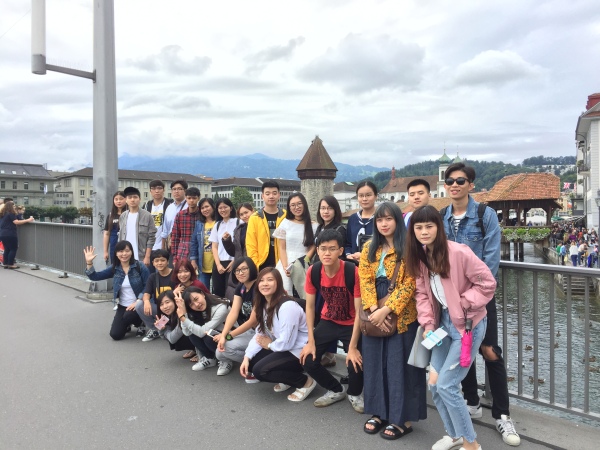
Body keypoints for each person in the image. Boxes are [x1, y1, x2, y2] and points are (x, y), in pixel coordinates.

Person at [441, 162, 520, 446]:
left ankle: (502, 414)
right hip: (452, 300)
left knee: (489, 351)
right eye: (450, 181)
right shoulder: (441, 217)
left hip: (480, 298)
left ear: (471, 184)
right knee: (462, 348)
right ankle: (472, 401)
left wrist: (473, 297)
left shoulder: (485, 215)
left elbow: (491, 261)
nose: (455, 185)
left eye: (460, 180)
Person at [406, 205, 496, 450]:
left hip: (468, 326)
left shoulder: (458, 252)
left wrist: (462, 303)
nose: (424, 232)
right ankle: (454, 434)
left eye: (429, 226)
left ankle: (471, 444)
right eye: (419, 227)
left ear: (439, 227)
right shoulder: (421, 256)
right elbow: (422, 294)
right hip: (442, 326)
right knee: (435, 384)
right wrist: (428, 324)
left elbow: (488, 283)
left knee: (447, 385)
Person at [356, 201, 427, 440]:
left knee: (400, 367)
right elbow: (365, 280)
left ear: (398, 221)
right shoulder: (369, 247)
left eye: (389, 219)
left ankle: (402, 419)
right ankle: (379, 412)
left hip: (401, 313)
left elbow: (410, 284)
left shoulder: (409, 247)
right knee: (375, 364)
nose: (384, 224)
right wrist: (374, 310)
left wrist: (386, 310)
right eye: (379, 220)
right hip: (374, 310)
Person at [300, 229, 364, 412]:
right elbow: (310, 307)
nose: (327, 253)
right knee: (307, 359)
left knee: (356, 362)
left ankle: (355, 393)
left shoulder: (352, 272)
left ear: (340, 251)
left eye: (332, 249)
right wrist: (310, 341)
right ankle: (336, 389)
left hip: (352, 323)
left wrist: (353, 347)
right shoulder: (314, 271)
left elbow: (359, 311)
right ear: (317, 250)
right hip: (329, 320)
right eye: (323, 248)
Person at [240, 268, 315, 402]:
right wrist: (247, 357)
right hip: (282, 347)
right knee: (251, 362)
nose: (265, 283)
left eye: (270, 280)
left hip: (299, 351)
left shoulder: (287, 306)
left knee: (260, 371)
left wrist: (270, 345)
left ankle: (305, 382)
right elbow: (260, 334)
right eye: (261, 280)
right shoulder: (264, 304)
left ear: (278, 283)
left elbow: (287, 343)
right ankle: (288, 378)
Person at [84, 241, 150, 340]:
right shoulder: (115, 268)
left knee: (128, 316)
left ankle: (140, 323)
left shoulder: (140, 266)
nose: (124, 254)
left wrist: (138, 301)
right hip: (123, 306)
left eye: (127, 251)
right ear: (116, 253)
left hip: (139, 304)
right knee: (115, 335)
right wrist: (89, 263)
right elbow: (95, 276)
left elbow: (148, 286)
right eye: (121, 251)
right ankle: (127, 323)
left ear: (131, 252)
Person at [214, 257, 259, 377]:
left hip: (260, 332)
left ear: (252, 269)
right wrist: (224, 334)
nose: (240, 273)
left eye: (244, 269)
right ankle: (251, 359)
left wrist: (228, 336)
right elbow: (233, 312)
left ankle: (256, 366)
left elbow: (253, 321)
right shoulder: (241, 287)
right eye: (237, 270)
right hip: (249, 331)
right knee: (219, 352)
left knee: (227, 348)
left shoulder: (258, 288)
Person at [273, 192, 317, 297]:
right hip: (286, 264)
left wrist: (303, 262)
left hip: (303, 264)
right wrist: (285, 267)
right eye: (293, 205)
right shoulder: (285, 223)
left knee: (303, 296)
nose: (296, 207)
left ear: (304, 204)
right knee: (284, 295)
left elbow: (314, 247)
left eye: (299, 204)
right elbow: (282, 248)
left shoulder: (314, 226)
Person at [176, 286, 230, 371]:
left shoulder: (221, 307)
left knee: (207, 335)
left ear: (202, 294)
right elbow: (187, 333)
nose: (196, 304)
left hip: (230, 336)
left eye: (196, 299)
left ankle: (226, 360)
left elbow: (202, 332)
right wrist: (184, 313)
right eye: (191, 304)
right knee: (193, 333)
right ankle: (210, 358)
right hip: (216, 334)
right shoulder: (197, 311)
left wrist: (183, 318)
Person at [246, 181, 286, 271]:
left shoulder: (286, 216)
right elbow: (251, 245)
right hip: (262, 265)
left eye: (274, 193)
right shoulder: (255, 217)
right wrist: (255, 265)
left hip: (282, 264)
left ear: (279, 195)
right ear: (262, 196)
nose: (271, 196)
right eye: (267, 194)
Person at [135, 249, 173, 342]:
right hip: (161, 310)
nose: (160, 263)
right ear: (153, 263)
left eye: (162, 260)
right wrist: (147, 301)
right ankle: (156, 329)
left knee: (173, 338)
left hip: (174, 310)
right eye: (157, 261)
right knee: (139, 305)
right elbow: (146, 293)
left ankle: (167, 328)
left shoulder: (175, 275)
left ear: (168, 261)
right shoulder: (153, 277)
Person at [118, 187, 157, 267]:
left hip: (141, 255)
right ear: (126, 200)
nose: (132, 200)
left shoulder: (147, 215)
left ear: (139, 199)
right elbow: (120, 236)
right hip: (125, 256)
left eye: (135, 197)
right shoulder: (123, 216)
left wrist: (147, 257)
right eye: (130, 197)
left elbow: (151, 238)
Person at [210, 198, 239, 297]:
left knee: (232, 292)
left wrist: (235, 261)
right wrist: (218, 264)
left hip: (233, 262)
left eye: (225, 207)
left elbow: (242, 245)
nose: (223, 210)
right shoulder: (217, 225)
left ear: (231, 208)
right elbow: (214, 246)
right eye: (220, 208)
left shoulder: (238, 222)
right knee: (218, 291)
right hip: (219, 263)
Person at [346, 181, 378, 264]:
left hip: (375, 264)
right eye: (361, 196)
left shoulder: (381, 218)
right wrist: (349, 255)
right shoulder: (353, 219)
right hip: (354, 265)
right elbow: (348, 243)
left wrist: (364, 256)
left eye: (368, 195)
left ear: (376, 196)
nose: (364, 199)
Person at [189, 197, 216, 288]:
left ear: (213, 207)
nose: (205, 210)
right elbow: (194, 242)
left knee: (217, 291)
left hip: (217, 263)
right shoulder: (199, 223)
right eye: (202, 208)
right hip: (203, 263)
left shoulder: (219, 222)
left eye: (207, 206)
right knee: (203, 290)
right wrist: (193, 260)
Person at [171, 187, 202, 266]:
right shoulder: (180, 215)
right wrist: (174, 258)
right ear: (186, 198)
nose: (191, 200)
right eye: (189, 198)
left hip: (200, 251)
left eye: (194, 198)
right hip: (183, 252)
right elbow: (175, 237)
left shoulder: (202, 214)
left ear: (198, 198)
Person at [0, 201, 34, 269]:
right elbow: (16, 222)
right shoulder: (11, 213)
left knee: (7, 249)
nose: (15, 207)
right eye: (14, 206)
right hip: (10, 233)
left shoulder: (3, 214)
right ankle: (11, 264)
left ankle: (5, 263)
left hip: (2, 233)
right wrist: (28, 220)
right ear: (10, 207)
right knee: (13, 248)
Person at [143, 179, 173, 254]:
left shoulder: (170, 204)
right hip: (150, 246)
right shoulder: (146, 206)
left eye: (159, 188)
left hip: (166, 244)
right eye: (153, 189)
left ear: (164, 190)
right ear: (150, 191)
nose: (156, 191)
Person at [313, 196, 347, 262]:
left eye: (330, 208)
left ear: (335, 210)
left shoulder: (340, 229)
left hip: (330, 266)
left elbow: (340, 256)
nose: (326, 211)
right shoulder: (320, 227)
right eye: (323, 208)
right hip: (318, 265)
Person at [161, 179, 188, 251]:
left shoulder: (189, 206)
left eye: (179, 189)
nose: (176, 191)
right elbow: (165, 230)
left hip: (185, 245)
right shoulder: (169, 208)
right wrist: (163, 248)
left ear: (185, 191)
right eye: (174, 189)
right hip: (171, 245)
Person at [103, 191, 127, 264]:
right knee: (115, 266)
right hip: (114, 246)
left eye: (121, 199)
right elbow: (106, 233)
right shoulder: (111, 215)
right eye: (116, 199)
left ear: (126, 199)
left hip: (126, 246)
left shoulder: (129, 214)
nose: (118, 201)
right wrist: (105, 251)